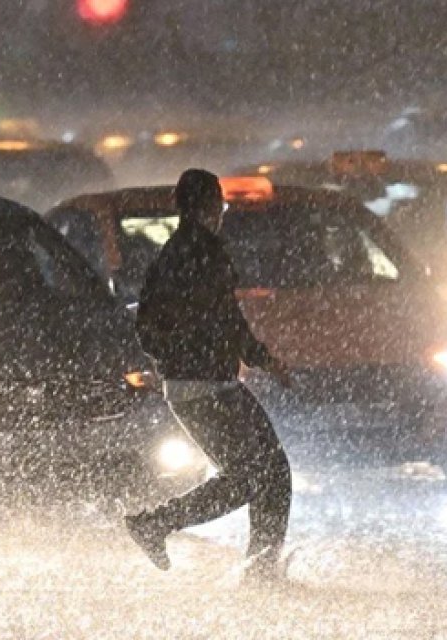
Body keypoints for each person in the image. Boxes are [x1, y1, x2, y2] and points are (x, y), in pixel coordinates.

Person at [126, 168, 294, 578]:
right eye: (217, 201)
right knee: (255, 475)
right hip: (208, 386)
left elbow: (147, 324)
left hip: (199, 384)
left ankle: (261, 568)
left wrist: (172, 360)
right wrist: (259, 358)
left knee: (267, 472)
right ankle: (157, 524)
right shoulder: (204, 252)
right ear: (209, 206)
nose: (221, 209)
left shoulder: (170, 255)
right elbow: (228, 319)